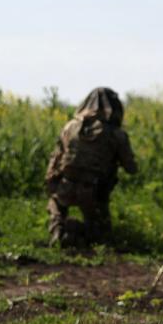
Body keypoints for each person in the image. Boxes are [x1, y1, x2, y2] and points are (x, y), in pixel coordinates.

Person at [45, 87, 138, 247]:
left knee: (56, 207)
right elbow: (131, 168)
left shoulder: (70, 127)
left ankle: (59, 230)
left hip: (65, 187)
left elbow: (55, 160)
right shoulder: (116, 134)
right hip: (94, 192)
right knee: (103, 237)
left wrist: (52, 185)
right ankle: (79, 233)